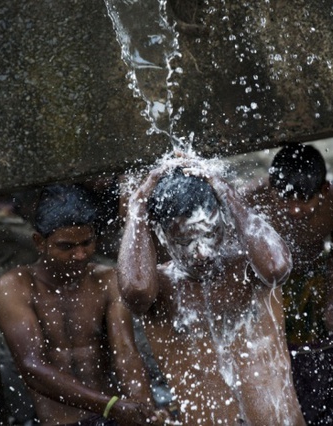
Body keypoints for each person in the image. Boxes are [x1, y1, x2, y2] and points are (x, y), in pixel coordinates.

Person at [117, 161, 306, 425]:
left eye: (210, 234)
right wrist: (137, 204)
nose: (202, 253)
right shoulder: (160, 287)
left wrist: (226, 192)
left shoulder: (248, 266)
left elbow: (277, 269)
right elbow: (134, 291)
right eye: (185, 241)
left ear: (223, 219)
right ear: (161, 235)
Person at [0, 184, 168, 426]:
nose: (80, 254)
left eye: (87, 243)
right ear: (39, 243)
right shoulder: (16, 286)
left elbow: (125, 353)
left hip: (113, 416)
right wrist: (111, 406)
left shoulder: (106, 280)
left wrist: (144, 409)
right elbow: (32, 366)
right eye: (67, 246)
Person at [245, 144, 333, 424]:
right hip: (266, 288)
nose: (295, 210)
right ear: (272, 189)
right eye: (286, 200)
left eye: (305, 201)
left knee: (327, 359)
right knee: (270, 366)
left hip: (313, 282)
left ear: (324, 190)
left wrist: (331, 305)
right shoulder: (249, 200)